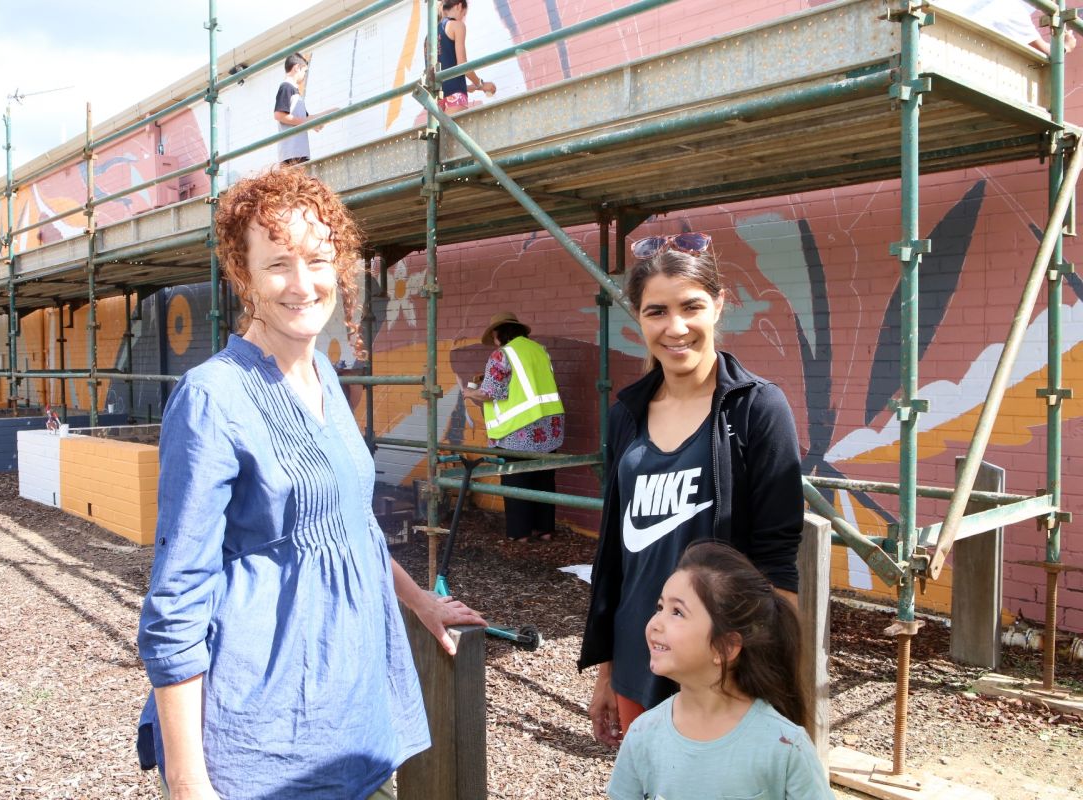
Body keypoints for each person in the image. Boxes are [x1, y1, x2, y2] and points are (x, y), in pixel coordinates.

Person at [136, 165, 486, 799]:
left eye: (319, 260)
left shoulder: (324, 374)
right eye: (278, 265)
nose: (304, 284)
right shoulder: (213, 397)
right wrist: (189, 783)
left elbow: (350, 524)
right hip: (270, 737)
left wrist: (420, 603)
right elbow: (176, 599)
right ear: (242, 275)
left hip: (358, 714)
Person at [578, 231, 804, 746]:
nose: (675, 327)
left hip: (723, 670)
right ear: (637, 316)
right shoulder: (625, 416)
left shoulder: (758, 410)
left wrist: (774, 679)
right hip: (640, 656)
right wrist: (608, 672)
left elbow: (777, 558)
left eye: (691, 307)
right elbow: (617, 555)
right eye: (656, 311)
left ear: (719, 305)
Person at [608, 542, 831, 800]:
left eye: (677, 612)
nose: (656, 623)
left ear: (725, 647)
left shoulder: (785, 747)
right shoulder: (643, 734)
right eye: (660, 607)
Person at [462, 311, 564, 542]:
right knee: (544, 479)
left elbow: (491, 393)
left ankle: (520, 534)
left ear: (498, 333)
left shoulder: (502, 354)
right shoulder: (539, 350)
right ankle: (544, 529)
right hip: (550, 425)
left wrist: (470, 393)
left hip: (520, 428)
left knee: (516, 481)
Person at [937, 0, 1076, 54]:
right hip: (948, 52)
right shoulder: (1012, 8)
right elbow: (1050, 52)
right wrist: (1066, 46)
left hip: (930, 40)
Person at [273, 53, 336, 165]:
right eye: (304, 71)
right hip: (291, 153)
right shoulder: (286, 87)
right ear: (297, 68)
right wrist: (308, 124)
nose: (305, 75)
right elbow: (279, 115)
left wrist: (329, 113)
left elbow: (306, 118)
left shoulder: (295, 92)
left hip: (299, 152)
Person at [437, 0, 496, 112]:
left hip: (436, 102)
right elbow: (462, 65)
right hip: (455, 98)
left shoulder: (429, 36)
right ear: (459, 6)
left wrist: (471, 87)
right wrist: (480, 84)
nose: (463, 18)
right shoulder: (457, 26)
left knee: (444, 130)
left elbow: (442, 75)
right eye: (464, 14)